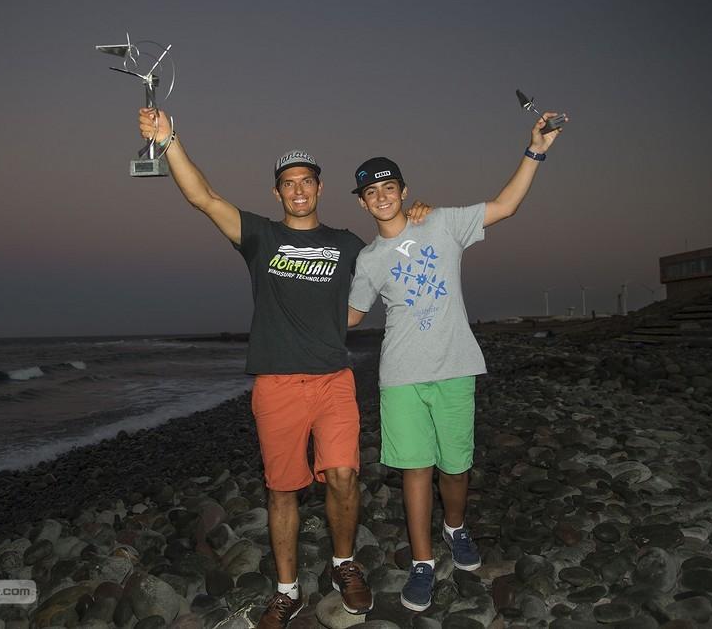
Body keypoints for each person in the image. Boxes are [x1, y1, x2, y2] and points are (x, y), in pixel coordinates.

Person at [137, 108, 381, 628]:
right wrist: (170, 139)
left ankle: (343, 563)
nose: (298, 190)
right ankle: (287, 591)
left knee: (343, 475)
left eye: (306, 181)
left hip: (333, 380)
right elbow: (204, 198)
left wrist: (417, 216)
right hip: (277, 384)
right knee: (282, 489)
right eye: (288, 183)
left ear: (320, 187)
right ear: (277, 193)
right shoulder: (261, 237)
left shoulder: (347, 244)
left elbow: (387, 267)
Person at [346, 112, 567, 612]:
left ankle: (455, 526)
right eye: (371, 192)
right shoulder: (369, 259)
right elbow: (351, 315)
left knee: (456, 467)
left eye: (388, 187)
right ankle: (422, 562)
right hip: (401, 376)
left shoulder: (442, 223)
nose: (381, 196)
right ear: (362, 202)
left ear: (404, 191)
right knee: (415, 470)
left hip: (455, 366)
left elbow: (506, 205)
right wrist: (292, 299)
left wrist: (535, 149)